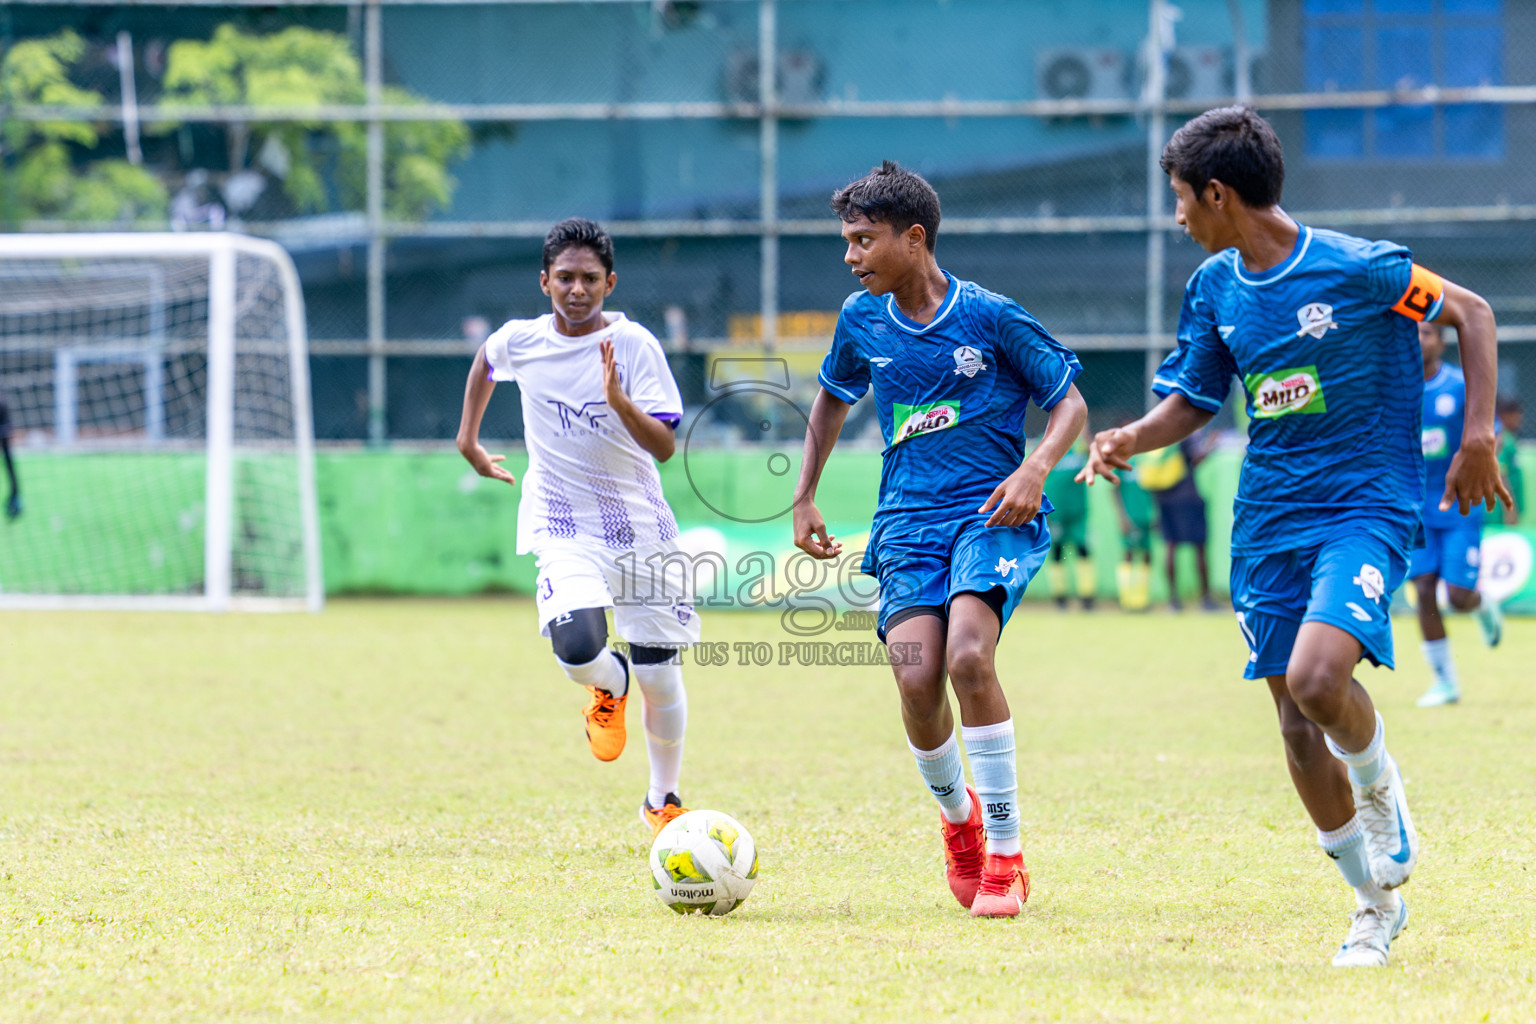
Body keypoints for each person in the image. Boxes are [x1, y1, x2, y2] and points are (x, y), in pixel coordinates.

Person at [1079, 107, 1510, 967]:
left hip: (1366, 503)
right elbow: (1197, 397)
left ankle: (1380, 779)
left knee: (1320, 680)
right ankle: (1371, 908)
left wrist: (1478, 436)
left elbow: (1472, 311)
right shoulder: (1214, 289)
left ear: (1217, 193)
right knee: (1291, 721)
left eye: (1180, 200)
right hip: (1269, 519)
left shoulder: (1361, 269)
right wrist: (1134, 435)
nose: (1177, 218)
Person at [793, 161, 1086, 918]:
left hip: (990, 514)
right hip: (905, 525)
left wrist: (1036, 469)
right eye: (848, 241)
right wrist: (804, 495)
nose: (851, 256)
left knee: (966, 657)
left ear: (913, 238)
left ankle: (1007, 854)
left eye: (863, 240)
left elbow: (1069, 404)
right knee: (917, 682)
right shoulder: (860, 321)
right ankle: (960, 824)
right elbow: (831, 401)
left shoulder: (992, 318)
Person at [456, 217, 699, 836]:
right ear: (544, 282)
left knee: (660, 677)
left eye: (590, 278)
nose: (577, 289)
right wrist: (469, 440)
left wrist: (621, 403)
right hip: (562, 524)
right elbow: (486, 361)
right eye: (564, 277)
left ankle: (662, 797)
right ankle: (606, 684)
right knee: (576, 647)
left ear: (609, 282)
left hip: (641, 530)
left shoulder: (636, 347)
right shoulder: (523, 341)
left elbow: (666, 446)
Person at [1411, 322, 1504, 708]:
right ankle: (1445, 683)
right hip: (1414, 507)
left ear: (1442, 342)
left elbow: (1492, 433)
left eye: (1427, 332)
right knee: (1423, 591)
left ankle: (1481, 605)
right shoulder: (1396, 388)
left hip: (1458, 504)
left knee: (1458, 595)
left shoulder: (1459, 386)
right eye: (1413, 333)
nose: (1419, 340)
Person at [1138, 434, 1217, 611]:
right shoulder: (1184, 433)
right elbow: (1197, 458)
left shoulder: (1159, 436)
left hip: (1162, 499)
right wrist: (1211, 446)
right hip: (1188, 497)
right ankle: (1206, 599)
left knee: (1170, 547)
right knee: (1199, 548)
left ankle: (1173, 600)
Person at [1045, 426, 1095, 610]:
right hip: (1056, 512)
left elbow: (1094, 454)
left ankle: (1087, 597)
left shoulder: (1080, 447)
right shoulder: (1048, 448)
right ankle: (1060, 598)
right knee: (1058, 551)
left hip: (1078, 511)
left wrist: (1084, 432)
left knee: (1083, 549)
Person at [1115, 454, 1154, 611]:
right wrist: (1122, 516)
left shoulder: (1148, 459)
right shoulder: (1123, 461)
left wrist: (1155, 513)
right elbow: (1114, 491)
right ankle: (1126, 599)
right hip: (1130, 516)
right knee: (1129, 553)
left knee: (1147, 555)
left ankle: (1142, 599)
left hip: (1147, 515)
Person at [1496, 395, 1524, 524]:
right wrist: (1510, 509)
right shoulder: (1503, 440)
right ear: (1504, 415)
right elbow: (1500, 473)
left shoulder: (1508, 438)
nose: (1520, 419)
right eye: (1516, 414)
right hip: (1500, 514)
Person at [0, 396, 20, 519]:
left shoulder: (2, 402)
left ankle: (15, 497)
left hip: (4, 435)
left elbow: (9, 430)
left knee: (9, 464)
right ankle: (15, 496)